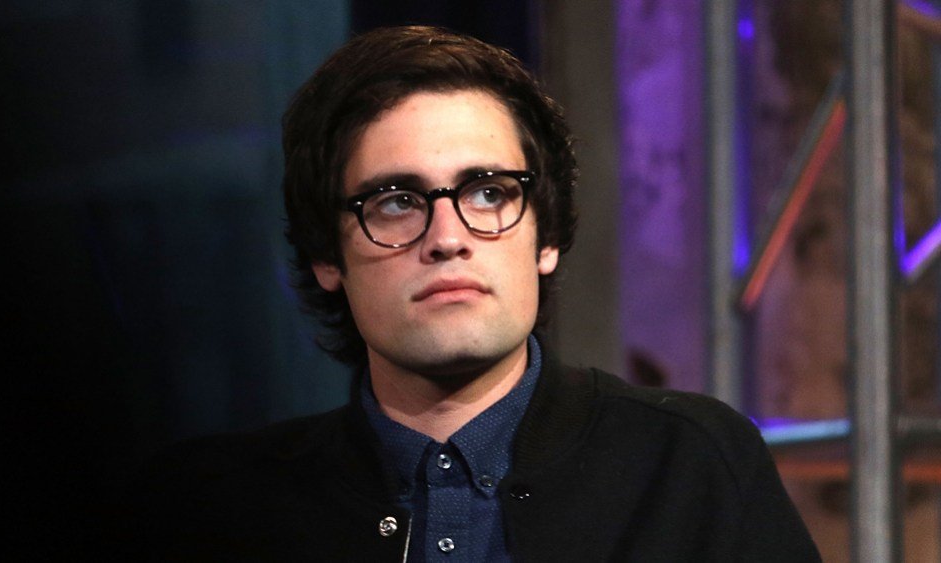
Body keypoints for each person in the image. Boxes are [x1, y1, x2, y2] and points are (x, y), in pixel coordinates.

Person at [127, 26, 820, 562]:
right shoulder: (211, 509)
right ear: (326, 257)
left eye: (488, 193)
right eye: (396, 202)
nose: (448, 237)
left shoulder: (692, 467)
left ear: (546, 236)